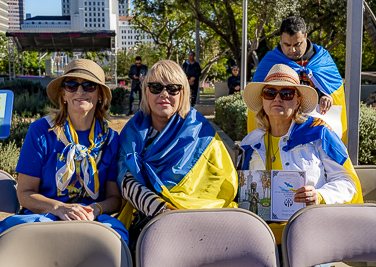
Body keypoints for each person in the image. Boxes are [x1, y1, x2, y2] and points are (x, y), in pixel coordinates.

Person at [0, 59, 128, 244]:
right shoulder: (41, 131)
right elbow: (25, 193)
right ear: (63, 94)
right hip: (45, 217)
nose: (80, 91)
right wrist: (59, 208)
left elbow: (115, 198)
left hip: (92, 219)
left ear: (100, 94)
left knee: (117, 241)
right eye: (71, 85)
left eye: (89, 86)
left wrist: (95, 210)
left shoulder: (111, 139)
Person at [238, 64, 363, 251]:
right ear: (263, 100)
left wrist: (320, 196)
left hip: (312, 236)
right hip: (261, 239)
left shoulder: (320, 133)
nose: (277, 98)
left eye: (287, 93)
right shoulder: (249, 144)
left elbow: (348, 181)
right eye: (270, 93)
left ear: (298, 101)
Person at [117, 59, 237, 250]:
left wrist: (184, 217)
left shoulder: (202, 131)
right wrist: (164, 212)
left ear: (183, 94)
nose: (164, 94)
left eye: (173, 88)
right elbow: (127, 182)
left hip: (203, 223)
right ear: (146, 92)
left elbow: (219, 184)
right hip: (151, 224)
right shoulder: (132, 133)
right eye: (156, 87)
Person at [250, 16, 348, 144]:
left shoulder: (322, 59)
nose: (292, 50)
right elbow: (260, 96)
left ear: (305, 36)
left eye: (297, 44)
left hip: (316, 130)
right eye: (287, 44)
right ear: (280, 40)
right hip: (280, 129)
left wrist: (326, 95)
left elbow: (335, 91)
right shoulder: (270, 62)